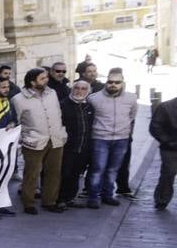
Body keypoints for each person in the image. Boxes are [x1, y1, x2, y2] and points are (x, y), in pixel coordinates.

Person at [12, 67, 68, 214]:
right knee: (32, 173)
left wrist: (62, 132)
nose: (46, 80)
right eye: (42, 78)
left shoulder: (52, 93)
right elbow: (15, 122)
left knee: (54, 173)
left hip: (55, 139)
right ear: (32, 82)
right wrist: (23, 139)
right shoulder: (18, 99)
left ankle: (49, 201)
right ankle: (28, 203)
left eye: (46, 77)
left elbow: (58, 113)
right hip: (33, 142)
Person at [85, 69, 138, 208]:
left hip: (121, 139)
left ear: (123, 83)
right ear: (106, 82)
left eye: (117, 82)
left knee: (113, 169)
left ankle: (108, 195)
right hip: (100, 138)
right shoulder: (94, 98)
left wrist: (125, 132)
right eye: (110, 82)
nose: (113, 85)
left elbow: (132, 116)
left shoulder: (131, 98)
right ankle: (93, 197)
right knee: (98, 169)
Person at [60, 79, 96, 207]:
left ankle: (70, 198)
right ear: (72, 89)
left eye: (83, 89)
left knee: (76, 174)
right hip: (67, 148)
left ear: (88, 91)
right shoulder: (63, 105)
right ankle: (60, 199)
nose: (79, 91)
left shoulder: (89, 106)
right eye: (77, 88)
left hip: (83, 148)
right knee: (64, 174)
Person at [151, 92, 177, 210]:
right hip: (171, 147)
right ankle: (162, 199)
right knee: (168, 174)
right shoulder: (166, 107)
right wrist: (168, 141)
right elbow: (155, 127)